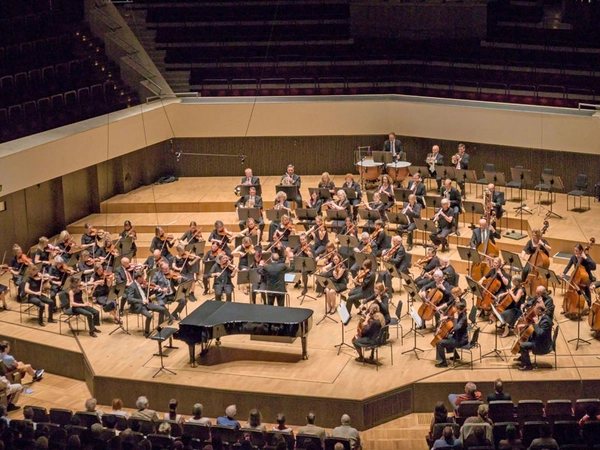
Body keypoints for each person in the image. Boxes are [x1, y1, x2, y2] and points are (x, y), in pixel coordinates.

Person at [125, 271, 171, 337]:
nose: (144, 279)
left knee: (162, 309)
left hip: (147, 303)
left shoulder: (143, 285)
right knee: (149, 316)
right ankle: (146, 332)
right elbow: (130, 299)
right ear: (138, 278)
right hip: (139, 306)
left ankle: (160, 327)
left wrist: (151, 289)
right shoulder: (132, 286)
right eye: (142, 277)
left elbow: (147, 294)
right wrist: (142, 301)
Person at [516, 304, 553, 371]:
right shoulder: (542, 317)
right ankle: (524, 359)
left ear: (539, 311)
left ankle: (528, 366)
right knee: (525, 339)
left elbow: (539, 333)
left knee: (523, 345)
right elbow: (534, 326)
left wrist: (536, 323)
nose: (533, 311)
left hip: (542, 345)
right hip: (539, 341)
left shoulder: (546, 321)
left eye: (535, 309)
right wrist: (524, 325)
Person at [561, 242, 597, 307]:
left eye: (576, 251)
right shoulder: (573, 257)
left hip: (586, 277)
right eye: (574, 250)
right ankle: (568, 305)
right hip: (577, 276)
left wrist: (585, 257)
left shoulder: (586, 257)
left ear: (581, 251)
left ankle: (589, 305)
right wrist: (563, 273)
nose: (575, 252)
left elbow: (594, 267)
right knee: (572, 286)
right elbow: (568, 266)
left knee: (586, 287)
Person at [434, 302, 468, 368]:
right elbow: (454, 317)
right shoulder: (462, 314)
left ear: (459, 309)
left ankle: (444, 363)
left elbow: (456, 328)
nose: (454, 309)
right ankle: (456, 355)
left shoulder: (463, 318)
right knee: (445, 336)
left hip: (460, 340)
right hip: (458, 337)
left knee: (439, 343)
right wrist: (447, 317)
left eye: (456, 308)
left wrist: (455, 318)